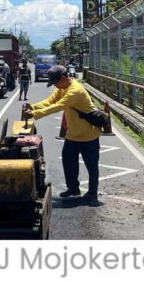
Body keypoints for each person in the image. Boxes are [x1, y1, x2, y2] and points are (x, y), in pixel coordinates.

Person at [23, 65, 101, 201]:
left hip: (88, 135)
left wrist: (34, 114)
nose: (55, 86)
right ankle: (73, 188)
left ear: (64, 78)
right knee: (68, 161)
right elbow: (51, 101)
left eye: (55, 82)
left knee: (92, 165)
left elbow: (59, 106)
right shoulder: (63, 87)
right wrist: (33, 107)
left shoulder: (75, 91)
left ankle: (92, 192)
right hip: (73, 135)